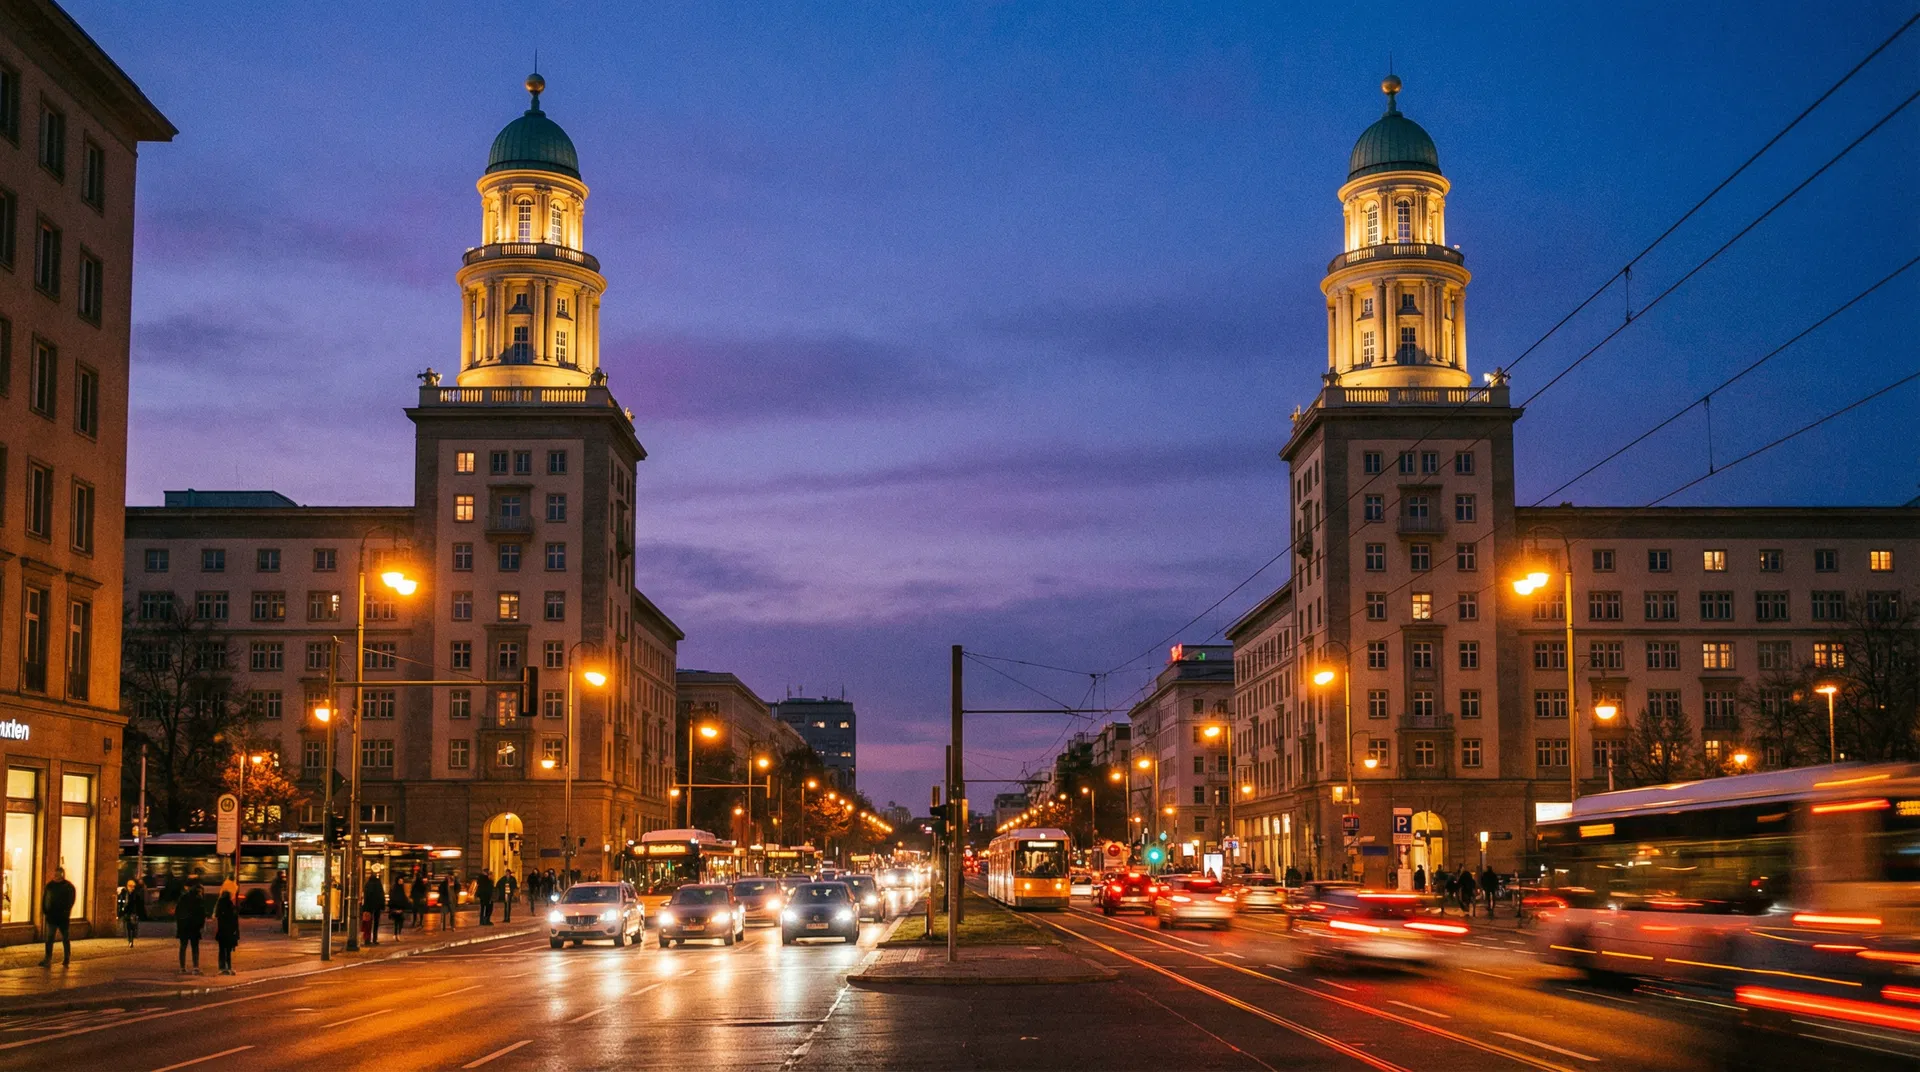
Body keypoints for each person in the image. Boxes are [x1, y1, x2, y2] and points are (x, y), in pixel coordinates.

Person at [38, 867, 77, 967]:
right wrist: (45, 910)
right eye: (55, 874)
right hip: (51, 917)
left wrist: (66, 911)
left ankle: (66, 958)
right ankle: (47, 959)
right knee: (49, 938)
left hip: (62, 917)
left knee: (65, 938)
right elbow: (45, 899)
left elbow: (71, 900)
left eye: (58, 874)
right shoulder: (50, 886)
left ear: (62, 874)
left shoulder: (68, 886)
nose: (55, 876)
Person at [176, 877, 206, 974]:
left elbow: (178, 912)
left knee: (183, 946)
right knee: (195, 947)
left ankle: (182, 968)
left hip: (184, 926)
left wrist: (180, 924)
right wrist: (201, 925)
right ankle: (195, 967)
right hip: (194, 926)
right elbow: (201, 913)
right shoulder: (198, 898)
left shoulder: (183, 898)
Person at [214, 882, 241, 975]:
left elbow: (218, 917)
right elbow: (235, 920)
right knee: (228, 951)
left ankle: (222, 967)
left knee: (222, 950)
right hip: (230, 932)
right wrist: (236, 933)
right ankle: (229, 967)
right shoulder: (231, 906)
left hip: (222, 932)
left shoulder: (220, 905)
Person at [362, 872, 386, 945]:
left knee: (368, 923)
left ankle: (367, 939)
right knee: (376, 923)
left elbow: (366, 897)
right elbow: (381, 895)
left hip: (368, 906)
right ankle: (375, 939)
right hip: (377, 906)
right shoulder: (378, 885)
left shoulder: (367, 885)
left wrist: (365, 907)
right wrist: (382, 906)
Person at [118, 879, 144, 946]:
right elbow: (121, 903)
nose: (132, 888)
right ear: (128, 886)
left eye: (133, 886)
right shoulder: (124, 893)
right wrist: (121, 911)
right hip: (127, 912)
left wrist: (138, 913)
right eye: (131, 886)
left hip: (133, 912)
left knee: (132, 927)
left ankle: (131, 940)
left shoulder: (136, 894)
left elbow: (139, 904)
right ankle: (130, 941)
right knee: (128, 927)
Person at [388, 875, 409, 940]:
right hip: (396, 908)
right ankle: (396, 934)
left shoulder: (401, 888)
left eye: (402, 881)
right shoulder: (395, 888)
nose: (401, 882)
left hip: (400, 908)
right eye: (400, 881)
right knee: (397, 921)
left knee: (400, 921)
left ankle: (397, 934)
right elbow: (394, 898)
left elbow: (403, 897)